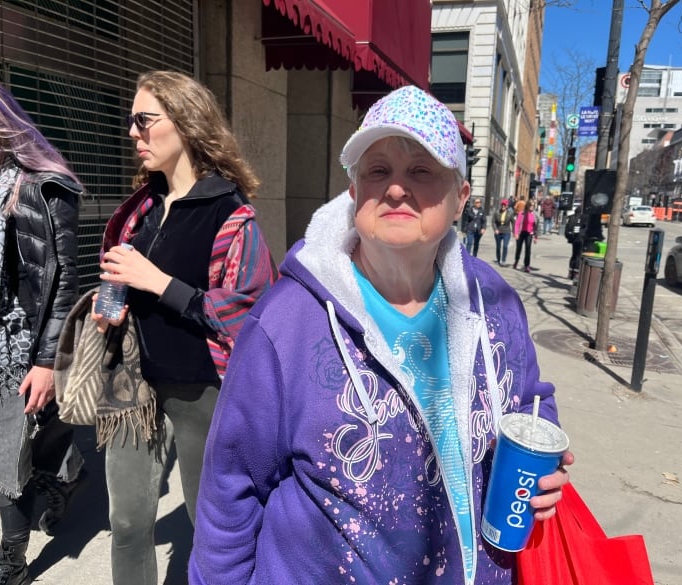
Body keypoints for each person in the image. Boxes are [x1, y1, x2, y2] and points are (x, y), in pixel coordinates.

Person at [189, 85, 573, 584]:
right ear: (354, 193)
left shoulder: (494, 300)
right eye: (377, 171)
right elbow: (228, 491)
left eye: (421, 170)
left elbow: (530, 402)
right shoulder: (284, 322)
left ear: (460, 198)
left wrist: (544, 468)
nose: (395, 189)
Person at [91, 71, 277, 585]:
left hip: (204, 393)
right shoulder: (139, 211)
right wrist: (111, 305)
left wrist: (158, 282)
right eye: (131, 121)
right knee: (127, 523)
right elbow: (118, 276)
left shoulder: (231, 216)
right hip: (133, 390)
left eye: (144, 120)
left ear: (187, 123)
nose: (133, 132)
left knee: (212, 527)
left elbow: (249, 313)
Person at [0, 81, 86, 585]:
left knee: (5, 450)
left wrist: (47, 361)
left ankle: (11, 559)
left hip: (15, 344)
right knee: (20, 438)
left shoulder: (43, 186)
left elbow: (62, 281)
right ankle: (67, 475)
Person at [513, 199, 539, 272]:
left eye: (533, 205)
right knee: (519, 248)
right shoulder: (522, 213)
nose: (532, 207)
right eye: (530, 205)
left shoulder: (534, 215)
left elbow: (536, 226)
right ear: (527, 205)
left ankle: (527, 265)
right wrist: (516, 233)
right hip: (521, 233)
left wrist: (535, 237)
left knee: (528, 249)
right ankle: (516, 260)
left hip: (529, 233)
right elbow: (517, 224)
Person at [565, 207, 585, 280]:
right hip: (580, 238)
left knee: (573, 255)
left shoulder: (572, 217)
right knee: (578, 256)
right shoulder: (583, 217)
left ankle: (570, 273)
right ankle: (576, 273)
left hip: (573, 239)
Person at [492, 198, 513, 266]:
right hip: (498, 232)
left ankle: (503, 260)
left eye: (505, 205)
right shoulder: (497, 212)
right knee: (498, 247)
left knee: (505, 246)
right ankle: (498, 259)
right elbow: (493, 222)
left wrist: (515, 231)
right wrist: (495, 229)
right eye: (502, 205)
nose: (503, 206)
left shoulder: (510, 213)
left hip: (506, 232)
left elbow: (514, 222)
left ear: (507, 206)